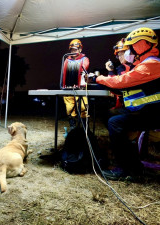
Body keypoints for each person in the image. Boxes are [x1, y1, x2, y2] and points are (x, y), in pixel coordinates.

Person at [87, 27, 160, 180]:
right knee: (111, 116)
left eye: (131, 47)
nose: (129, 51)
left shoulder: (151, 64)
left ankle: (129, 170)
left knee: (115, 122)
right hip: (149, 110)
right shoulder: (146, 63)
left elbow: (123, 81)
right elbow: (127, 87)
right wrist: (101, 82)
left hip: (154, 112)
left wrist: (97, 78)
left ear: (141, 44)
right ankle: (132, 163)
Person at [62, 39, 90, 129]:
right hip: (68, 87)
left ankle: (85, 129)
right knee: (70, 108)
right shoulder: (66, 59)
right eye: (72, 50)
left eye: (75, 49)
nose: (73, 52)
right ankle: (72, 127)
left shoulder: (84, 59)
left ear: (80, 49)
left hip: (80, 87)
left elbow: (84, 67)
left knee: (83, 107)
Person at [105, 39, 134, 109]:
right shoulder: (122, 67)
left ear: (129, 52)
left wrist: (110, 72)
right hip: (130, 104)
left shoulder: (124, 68)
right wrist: (110, 71)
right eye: (118, 55)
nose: (120, 57)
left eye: (122, 54)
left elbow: (118, 84)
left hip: (134, 106)